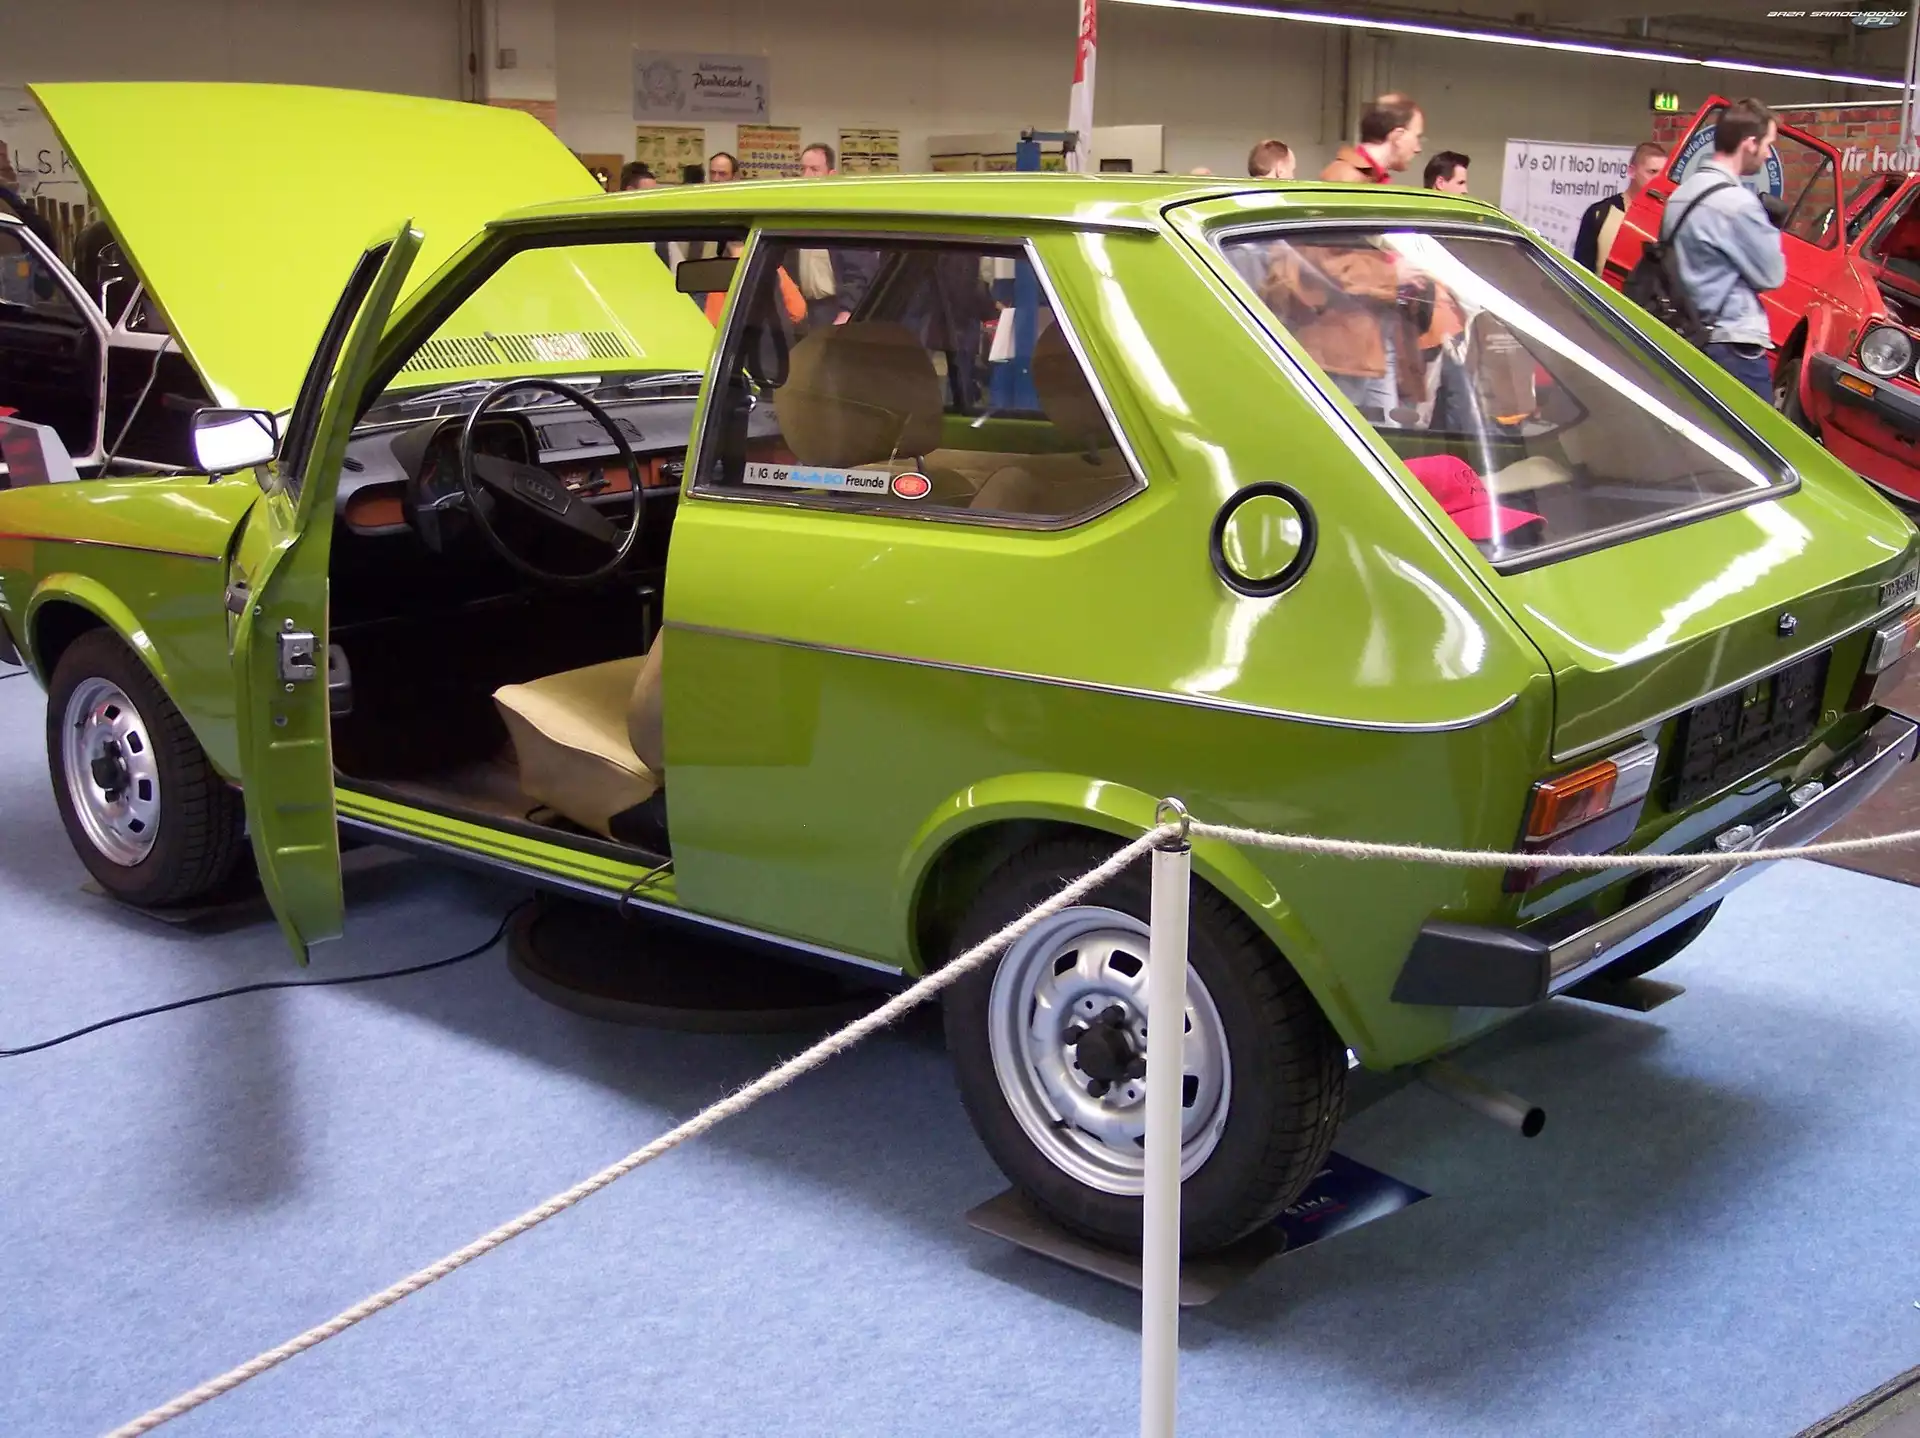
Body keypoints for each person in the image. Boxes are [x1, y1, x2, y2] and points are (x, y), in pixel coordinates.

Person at [1659, 98, 1786, 398]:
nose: (1768, 154)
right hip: (1733, 348)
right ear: (1750, 143)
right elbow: (1773, 275)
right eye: (1768, 144)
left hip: (1686, 337)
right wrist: (1770, 228)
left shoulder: (1681, 196)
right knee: (1756, 429)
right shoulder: (1739, 204)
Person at [793, 143, 878, 329]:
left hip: (833, 308)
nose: (806, 176)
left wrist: (847, 311)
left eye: (814, 170)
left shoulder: (843, 216)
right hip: (803, 308)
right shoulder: (797, 216)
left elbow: (860, 271)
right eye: (803, 169)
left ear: (831, 175)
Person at [1572, 141, 1666, 273]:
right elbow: (1580, 272)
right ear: (1632, 171)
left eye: (1662, 174)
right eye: (1652, 172)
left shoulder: (1667, 220)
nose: (1658, 180)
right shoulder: (1600, 213)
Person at [1321, 94, 1423, 184]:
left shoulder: (1368, 177)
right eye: (1417, 137)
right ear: (1397, 137)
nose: (1418, 149)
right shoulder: (1347, 178)